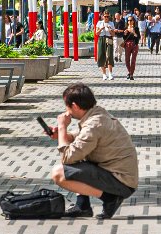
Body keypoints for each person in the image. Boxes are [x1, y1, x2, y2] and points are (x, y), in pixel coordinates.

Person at [48, 82, 137, 220]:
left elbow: (67, 157)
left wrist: (62, 127)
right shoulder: (97, 113)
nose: (66, 110)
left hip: (121, 182)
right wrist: (62, 135)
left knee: (59, 173)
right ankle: (82, 206)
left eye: (66, 106)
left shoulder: (94, 124)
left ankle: (110, 198)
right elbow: (81, 138)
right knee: (78, 158)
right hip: (121, 176)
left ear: (75, 106)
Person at [93, 12, 116, 81]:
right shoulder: (99, 23)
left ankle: (110, 74)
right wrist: (101, 29)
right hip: (101, 38)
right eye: (105, 16)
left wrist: (110, 30)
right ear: (103, 17)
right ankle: (104, 74)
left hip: (109, 38)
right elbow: (96, 33)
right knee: (101, 55)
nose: (106, 18)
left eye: (107, 17)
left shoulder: (111, 23)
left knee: (109, 55)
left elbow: (113, 34)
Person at [119, 15, 142, 80]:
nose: (129, 21)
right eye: (128, 20)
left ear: (133, 21)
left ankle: (131, 74)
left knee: (133, 60)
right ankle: (130, 72)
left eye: (131, 20)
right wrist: (125, 34)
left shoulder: (136, 28)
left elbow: (138, 37)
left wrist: (134, 32)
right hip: (127, 45)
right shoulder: (125, 28)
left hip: (134, 44)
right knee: (127, 60)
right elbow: (124, 38)